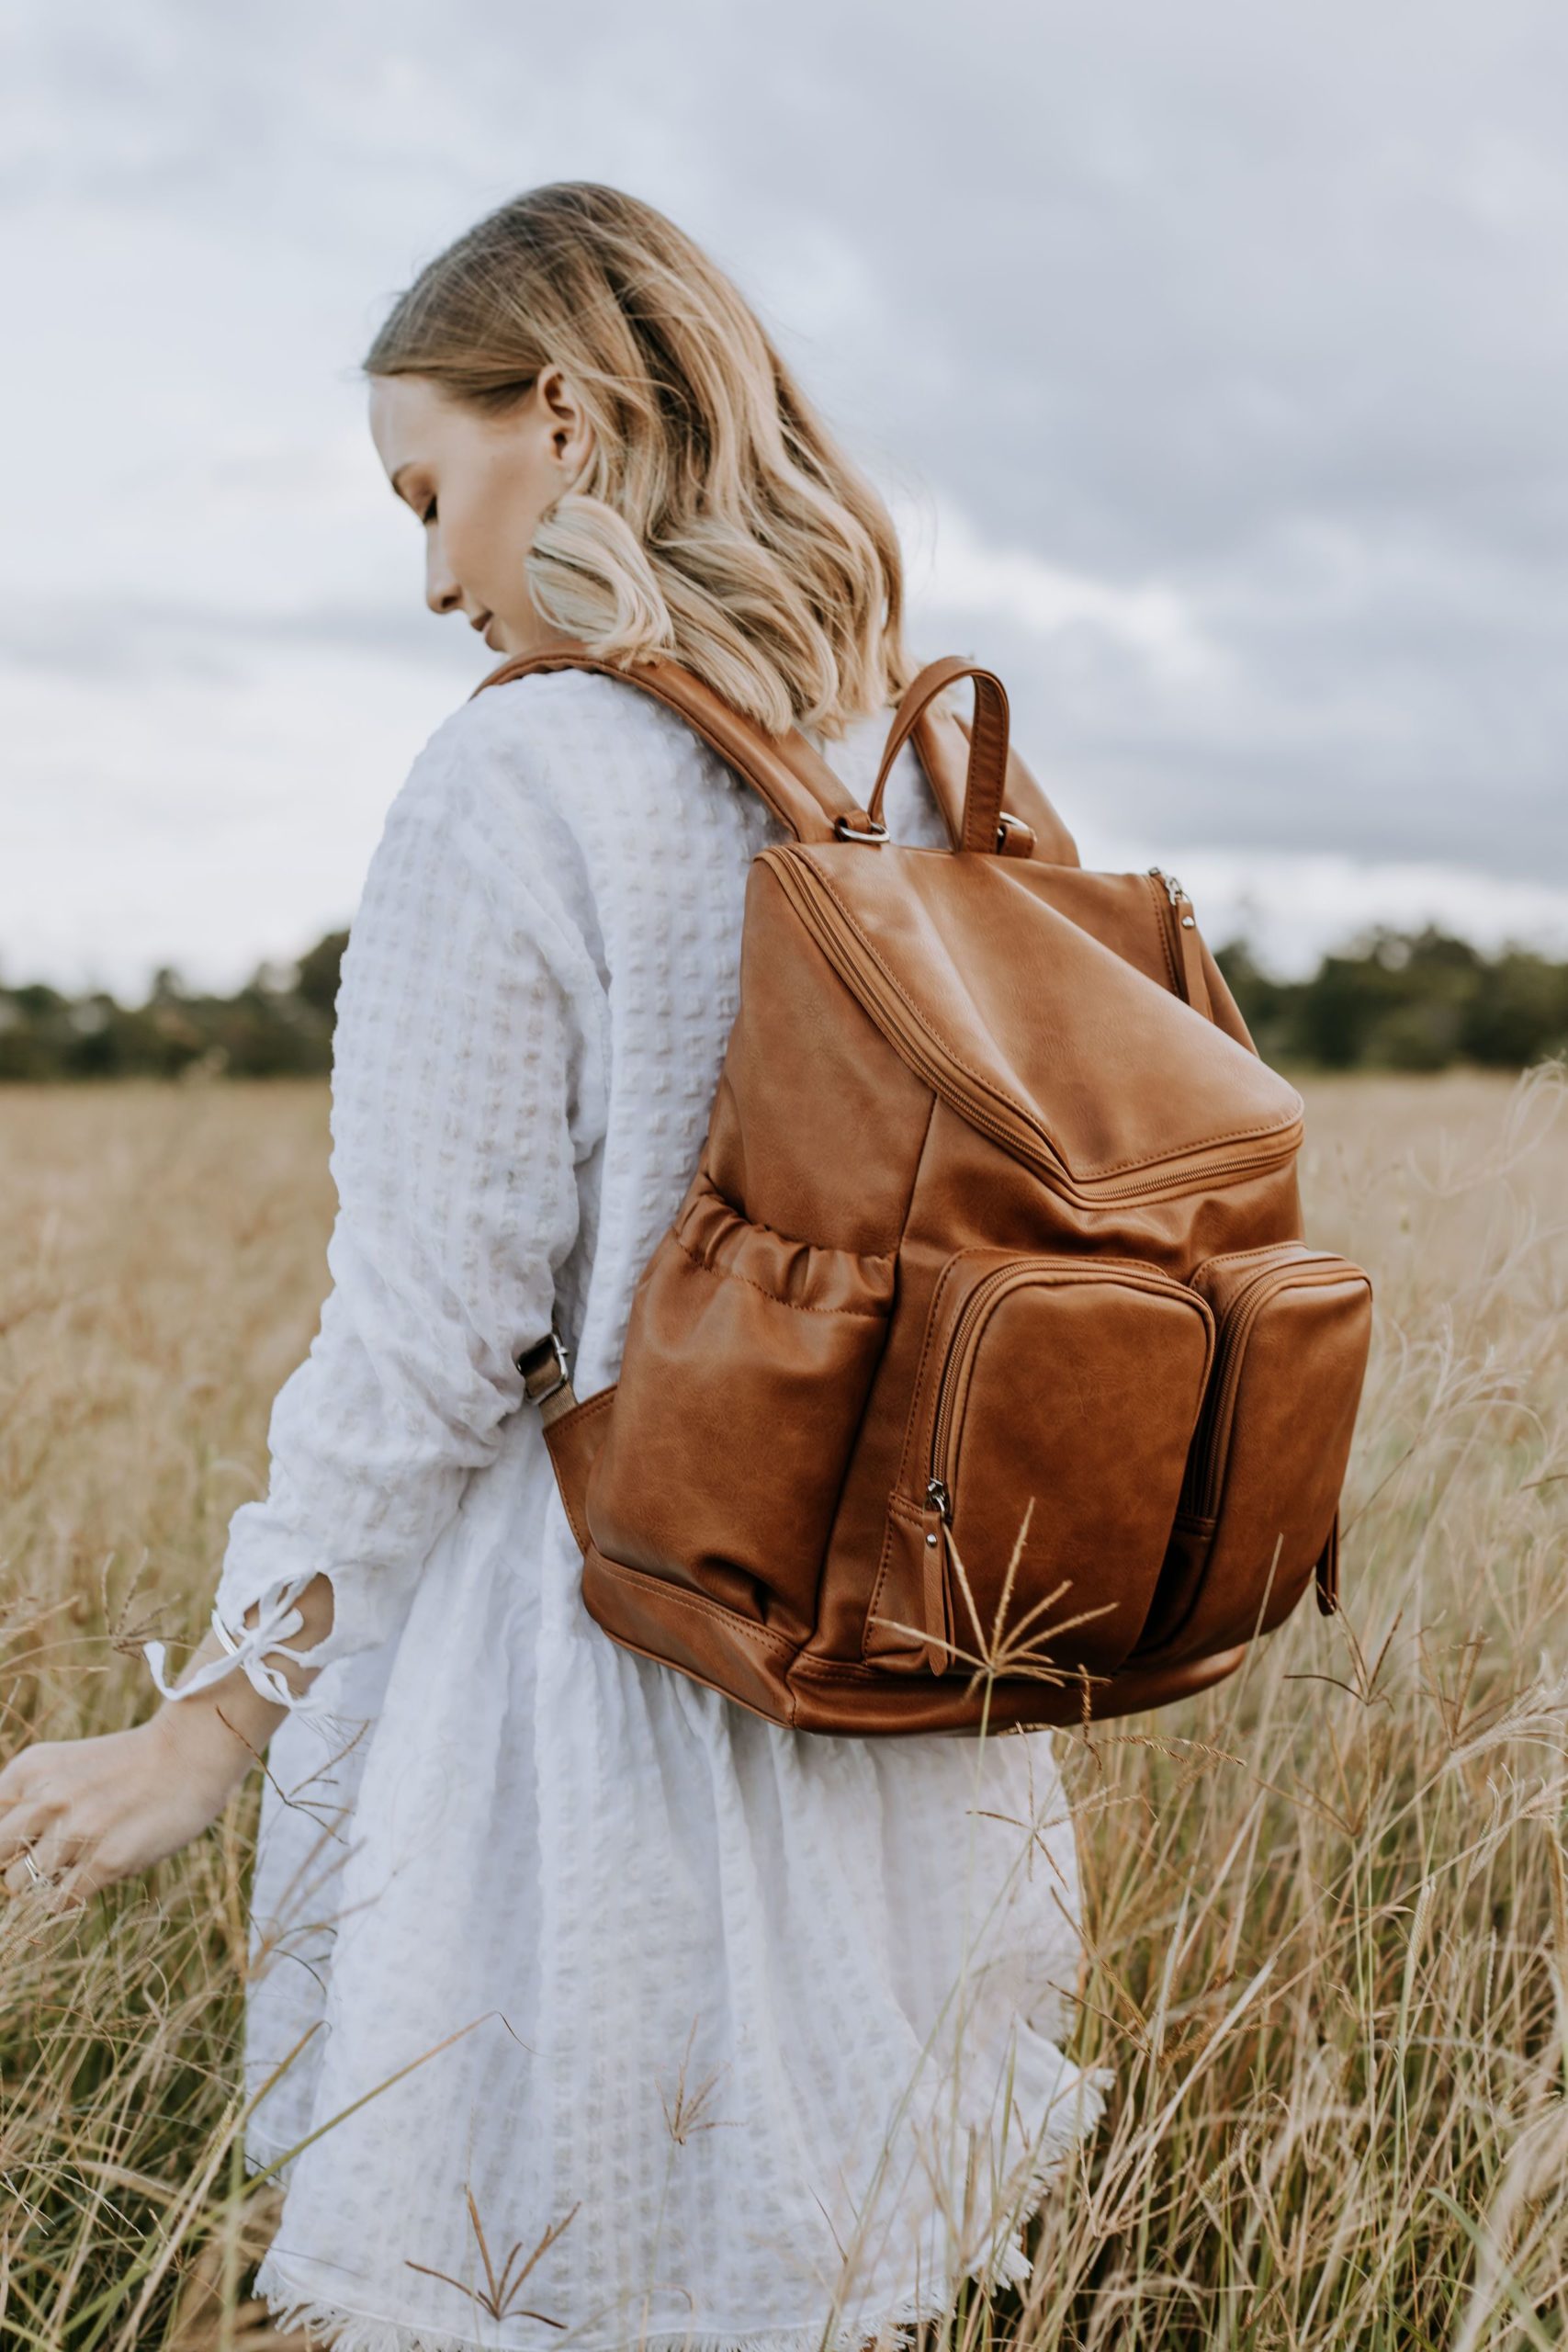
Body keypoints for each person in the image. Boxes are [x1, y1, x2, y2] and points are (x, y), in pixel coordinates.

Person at [0, 181, 1112, 2351]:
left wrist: (205, 1728)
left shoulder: (517, 777)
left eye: (433, 486)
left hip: (591, 1708)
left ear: (574, 423)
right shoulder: (898, 770)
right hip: (892, 1710)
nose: (428, 576)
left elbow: (425, 1346)